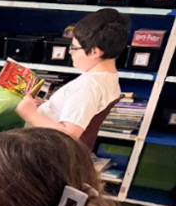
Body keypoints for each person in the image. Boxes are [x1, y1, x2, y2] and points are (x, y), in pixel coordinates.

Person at [16, 8, 129, 142]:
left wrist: (29, 114)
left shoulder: (87, 87)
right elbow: (82, 110)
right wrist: (49, 106)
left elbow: (69, 134)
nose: (70, 52)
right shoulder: (109, 77)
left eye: (74, 48)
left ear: (94, 52)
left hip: (40, 147)